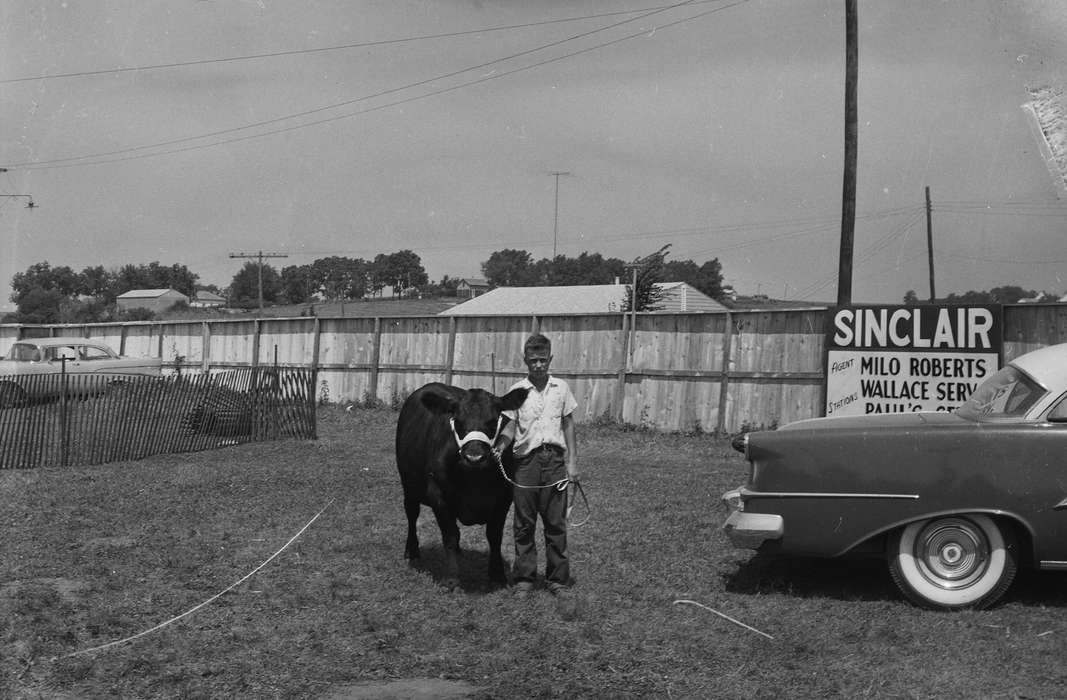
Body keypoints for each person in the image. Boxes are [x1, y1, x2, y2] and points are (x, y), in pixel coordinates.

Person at [495, 333, 579, 598]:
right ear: (525, 360)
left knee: (556, 524)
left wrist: (572, 462)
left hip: (554, 463)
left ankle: (558, 580)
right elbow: (510, 426)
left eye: (543, 359)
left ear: (550, 358)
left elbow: (568, 424)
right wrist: (501, 445)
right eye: (533, 360)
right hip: (526, 464)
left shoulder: (561, 388)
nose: (539, 365)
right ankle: (524, 579)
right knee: (524, 524)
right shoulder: (517, 391)